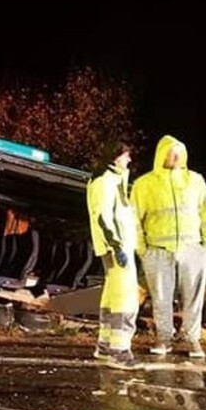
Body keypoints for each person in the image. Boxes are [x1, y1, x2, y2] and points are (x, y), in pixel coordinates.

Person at [132, 135, 206, 358]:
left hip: (192, 248)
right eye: (171, 151)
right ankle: (164, 338)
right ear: (162, 154)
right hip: (158, 250)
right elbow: (134, 219)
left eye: (179, 151)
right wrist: (142, 249)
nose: (176, 156)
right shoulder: (144, 184)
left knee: (193, 297)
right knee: (161, 297)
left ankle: (192, 340)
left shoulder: (195, 180)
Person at [86, 140, 139, 367]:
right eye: (126, 155)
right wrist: (117, 247)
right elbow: (103, 217)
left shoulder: (110, 180)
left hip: (117, 246)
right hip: (117, 248)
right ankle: (120, 350)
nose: (129, 160)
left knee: (112, 296)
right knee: (125, 298)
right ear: (115, 157)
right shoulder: (106, 182)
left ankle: (105, 345)